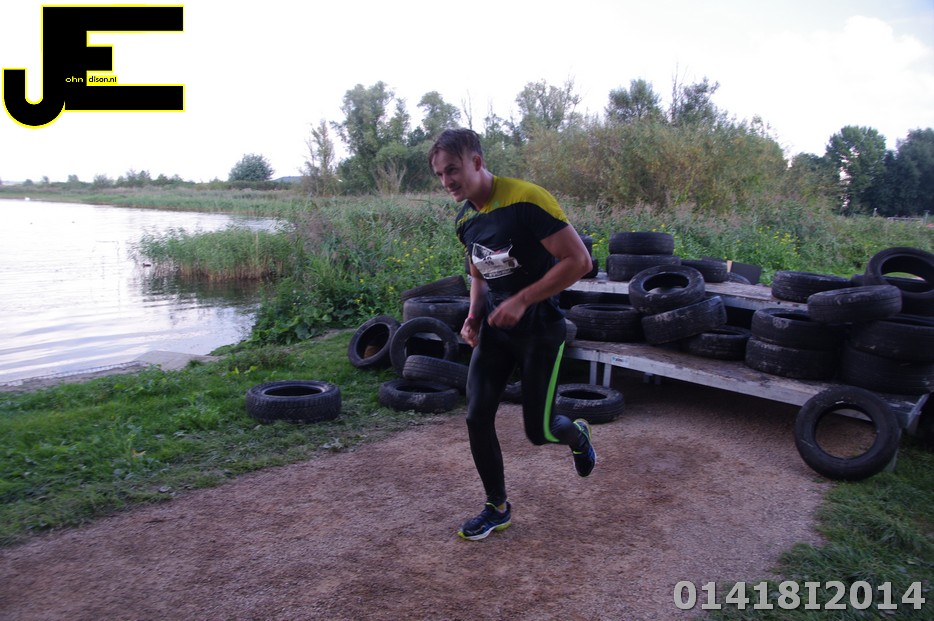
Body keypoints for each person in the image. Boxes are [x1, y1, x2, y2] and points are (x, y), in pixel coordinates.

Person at [427, 128, 597, 541]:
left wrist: (522, 300)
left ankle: (577, 435)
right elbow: (479, 272)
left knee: (539, 432)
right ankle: (497, 507)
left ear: (477, 162)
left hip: (540, 329)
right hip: (496, 329)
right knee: (476, 416)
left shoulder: (527, 199)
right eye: (440, 174)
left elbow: (579, 261)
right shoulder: (466, 219)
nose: (447, 181)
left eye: (453, 169)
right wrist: (473, 315)